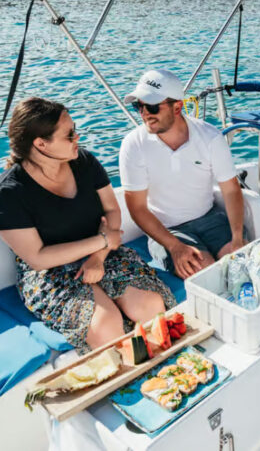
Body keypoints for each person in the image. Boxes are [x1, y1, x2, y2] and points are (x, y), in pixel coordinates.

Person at [0, 98, 176, 354]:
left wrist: (98, 256)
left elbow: (112, 210)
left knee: (149, 307)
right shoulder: (9, 193)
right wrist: (102, 240)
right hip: (49, 273)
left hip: (105, 254)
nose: (77, 138)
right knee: (107, 327)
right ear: (40, 144)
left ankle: (173, 368)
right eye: (69, 134)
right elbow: (38, 258)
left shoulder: (83, 161)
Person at [119, 69, 246, 280]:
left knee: (241, 267)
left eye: (152, 106)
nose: (145, 114)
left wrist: (238, 238)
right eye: (139, 106)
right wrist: (174, 246)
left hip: (211, 218)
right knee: (207, 276)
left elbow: (231, 190)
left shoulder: (210, 138)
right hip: (167, 230)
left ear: (177, 107)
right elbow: (137, 208)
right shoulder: (133, 145)